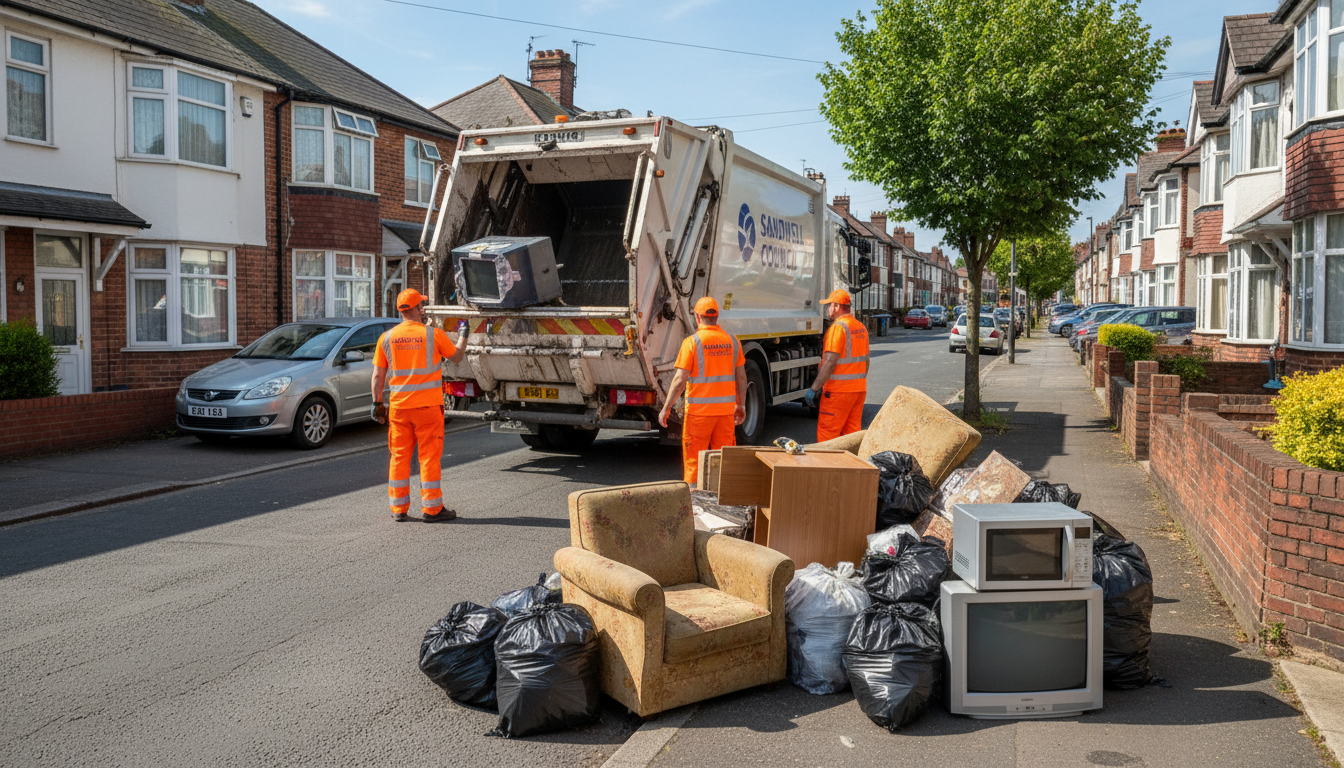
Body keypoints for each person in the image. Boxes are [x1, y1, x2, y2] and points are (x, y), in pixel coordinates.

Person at [371, 289, 468, 522]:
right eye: (421, 306)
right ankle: (432, 509)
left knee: (399, 457)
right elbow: (456, 357)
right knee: (428, 458)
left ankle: (399, 509)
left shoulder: (386, 338)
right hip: (428, 408)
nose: (422, 309)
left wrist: (376, 404)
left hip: (399, 408)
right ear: (417, 309)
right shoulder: (433, 334)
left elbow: (377, 375)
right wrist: (464, 334)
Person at [658, 297, 746, 486]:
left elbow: (679, 380)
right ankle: (725, 499)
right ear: (716, 316)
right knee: (724, 460)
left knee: (694, 461)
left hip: (698, 416)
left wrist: (666, 408)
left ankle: (695, 502)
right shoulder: (733, 342)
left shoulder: (692, 343)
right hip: (725, 414)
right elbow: (741, 378)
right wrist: (741, 405)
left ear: (697, 317)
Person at [805, 289, 870, 443]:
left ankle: (828, 467)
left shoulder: (837, 328)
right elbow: (866, 361)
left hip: (838, 393)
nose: (828, 309)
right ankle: (850, 466)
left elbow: (830, 362)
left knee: (828, 437)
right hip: (858, 391)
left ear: (836, 306)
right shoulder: (860, 328)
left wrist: (814, 388)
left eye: (829, 305)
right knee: (851, 438)